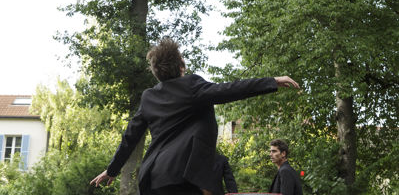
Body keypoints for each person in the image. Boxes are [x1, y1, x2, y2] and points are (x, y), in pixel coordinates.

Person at [91, 38, 299, 195]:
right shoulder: (192, 86)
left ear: (156, 72)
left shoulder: (149, 96)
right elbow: (229, 89)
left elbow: (130, 137)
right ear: (181, 65)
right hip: (184, 178)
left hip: (153, 179)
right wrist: (271, 81)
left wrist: (112, 170)